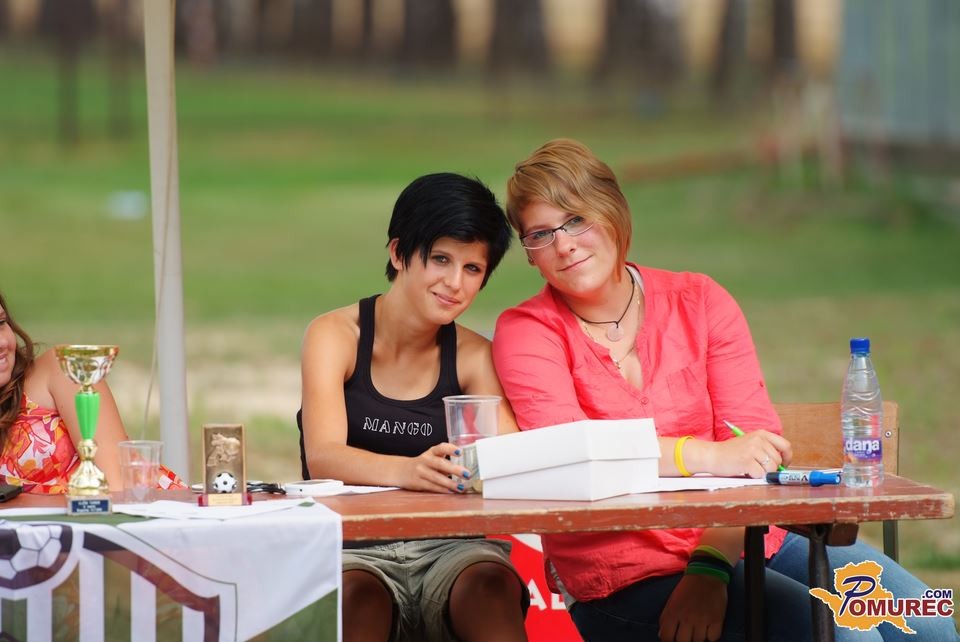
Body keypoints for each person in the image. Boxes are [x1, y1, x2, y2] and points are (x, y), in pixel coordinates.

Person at [491, 139, 958, 642]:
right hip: (625, 572)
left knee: (928, 624)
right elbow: (576, 453)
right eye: (541, 234)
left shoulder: (699, 299)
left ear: (613, 211)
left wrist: (711, 565)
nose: (564, 244)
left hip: (749, 538)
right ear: (530, 254)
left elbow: (755, 452)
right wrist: (708, 455)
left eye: (576, 220)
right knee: (848, 636)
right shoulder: (526, 332)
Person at [299, 173, 529, 642]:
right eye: (441, 259)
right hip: (353, 546)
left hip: (454, 547)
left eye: (472, 268)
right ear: (398, 253)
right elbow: (322, 455)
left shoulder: (474, 355)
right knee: (356, 598)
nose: (454, 283)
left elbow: (508, 458)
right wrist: (409, 470)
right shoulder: (335, 335)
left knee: (490, 587)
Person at [0, 292, 183, 494]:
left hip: (143, 509)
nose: (2, 343)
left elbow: (116, 486)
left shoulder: (63, 368)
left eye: (1, 322)